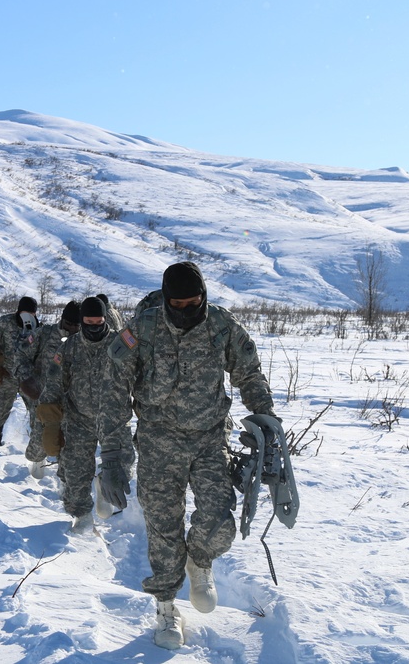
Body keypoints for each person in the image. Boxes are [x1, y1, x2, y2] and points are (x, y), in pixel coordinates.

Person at [101, 261, 279, 650]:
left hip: (209, 439)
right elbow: (115, 391)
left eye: (193, 303)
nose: (185, 311)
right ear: (165, 300)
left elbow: (249, 374)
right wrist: (113, 457)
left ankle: (199, 561)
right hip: (157, 442)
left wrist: (267, 423)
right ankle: (166, 609)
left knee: (218, 522)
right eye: (176, 304)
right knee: (163, 527)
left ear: (204, 297)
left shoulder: (222, 326)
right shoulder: (142, 329)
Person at [37, 296, 134, 531]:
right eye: (88, 321)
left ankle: (104, 485)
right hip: (78, 418)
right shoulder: (69, 346)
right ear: (82, 321)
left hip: (114, 420)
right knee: (74, 471)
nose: (94, 326)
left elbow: (141, 374)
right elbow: (53, 382)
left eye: (98, 321)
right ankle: (81, 517)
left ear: (105, 319)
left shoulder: (121, 344)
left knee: (124, 466)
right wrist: (50, 423)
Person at [21, 300, 81, 478]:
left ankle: (65, 481)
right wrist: (26, 378)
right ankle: (35, 467)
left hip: (73, 402)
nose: (71, 328)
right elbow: (21, 354)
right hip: (43, 399)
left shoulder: (85, 340)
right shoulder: (44, 334)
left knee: (70, 446)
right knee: (39, 444)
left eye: (76, 325)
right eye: (68, 323)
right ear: (62, 319)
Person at [0, 296, 39, 447]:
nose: (28, 315)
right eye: (25, 311)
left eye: (32, 313)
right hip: (6, 374)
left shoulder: (38, 328)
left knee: (38, 410)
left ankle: (37, 447)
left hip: (28, 377)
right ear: (19, 310)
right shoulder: (4, 322)